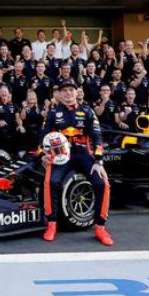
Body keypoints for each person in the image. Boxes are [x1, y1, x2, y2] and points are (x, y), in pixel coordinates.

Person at [38, 78, 113, 246]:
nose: (68, 93)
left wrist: (99, 161)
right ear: (59, 94)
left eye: (71, 90)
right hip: (60, 155)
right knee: (51, 182)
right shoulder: (53, 112)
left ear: (76, 92)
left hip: (83, 154)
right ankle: (52, 224)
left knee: (102, 183)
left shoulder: (87, 111)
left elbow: (97, 136)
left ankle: (100, 227)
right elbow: (43, 134)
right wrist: (43, 153)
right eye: (64, 90)